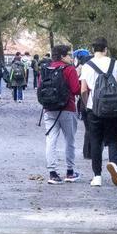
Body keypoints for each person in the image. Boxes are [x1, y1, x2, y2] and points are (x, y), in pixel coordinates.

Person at [78, 38, 117, 187]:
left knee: (96, 140)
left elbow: (83, 90)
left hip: (94, 108)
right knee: (113, 138)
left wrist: (87, 105)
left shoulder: (87, 65)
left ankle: (97, 176)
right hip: (113, 108)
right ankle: (113, 163)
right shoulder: (114, 63)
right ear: (106, 49)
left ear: (94, 50)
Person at [37, 45, 81, 184]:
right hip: (67, 108)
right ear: (62, 56)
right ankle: (70, 172)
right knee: (70, 140)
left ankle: (53, 173)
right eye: (69, 55)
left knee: (51, 140)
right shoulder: (69, 70)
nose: (71, 58)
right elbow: (75, 90)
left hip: (49, 109)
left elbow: (40, 89)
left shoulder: (45, 70)